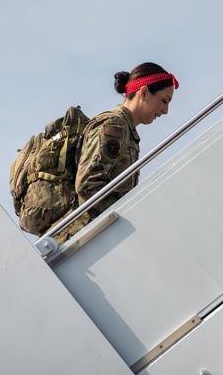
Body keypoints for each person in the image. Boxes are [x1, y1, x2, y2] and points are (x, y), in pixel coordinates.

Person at [54, 63, 178, 245]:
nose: (166, 111)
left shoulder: (126, 131)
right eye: (164, 101)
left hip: (92, 236)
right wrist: (129, 214)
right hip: (79, 237)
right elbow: (87, 186)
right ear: (143, 93)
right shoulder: (115, 126)